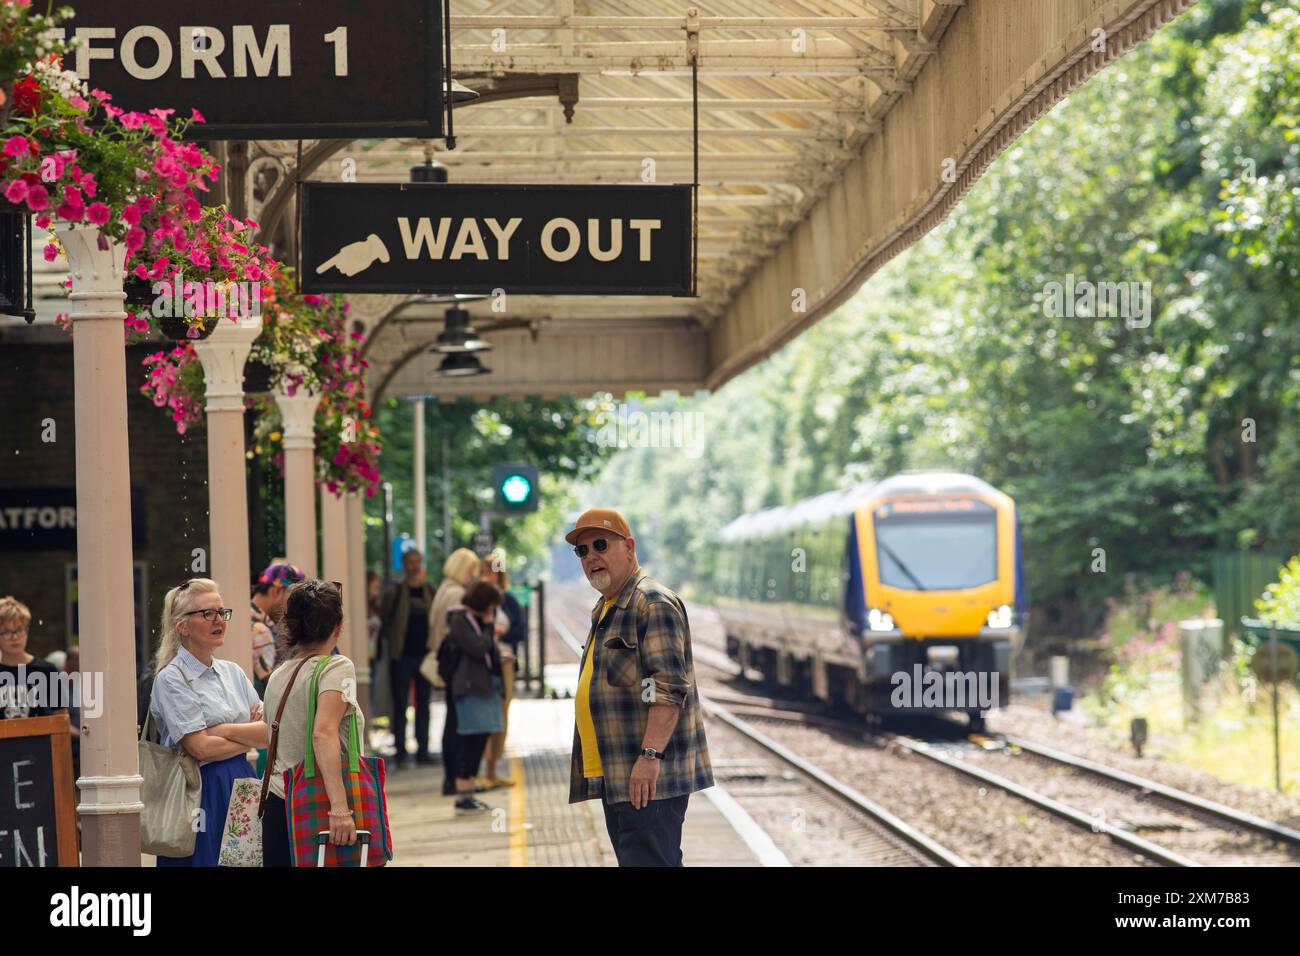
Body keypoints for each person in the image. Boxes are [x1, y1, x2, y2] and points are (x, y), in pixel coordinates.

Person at [565, 509, 714, 867]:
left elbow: (667, 688)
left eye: (600, 545)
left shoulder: (651, 602)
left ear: (629, 547)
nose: (591, 557)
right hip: (618, 772)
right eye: (582, 551)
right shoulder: (608, 606)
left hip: (648, 776)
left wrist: (650, 757)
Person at [149, 579, 268, 867]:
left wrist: (221, 730)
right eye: (207, 614)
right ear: (183, 626)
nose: (219, 620)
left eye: (221, 612)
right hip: (196, 791)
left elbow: (267, 734)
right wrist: (243, 734)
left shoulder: (234, 673)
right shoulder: (171, 678)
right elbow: (200, 748)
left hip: (242, 785)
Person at [260, 580, 363, 868]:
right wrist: (340, 808)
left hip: (280, 805)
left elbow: (271, 737)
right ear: (338, 625)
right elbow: (323, 733)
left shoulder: (279, 677)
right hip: (321, 806)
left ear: (290, 626)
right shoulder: (337, 668)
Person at [445, 581, 505, 814]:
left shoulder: (476, 620)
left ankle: (469, 790)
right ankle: (463, 794)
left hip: (483, 686)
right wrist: (490, 629)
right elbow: (478, 648)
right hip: (469, 687)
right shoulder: (460, 621)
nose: (492, 612)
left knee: (480, 738)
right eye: (491, 606)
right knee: (469, 741)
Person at [429, 548, 481, 796]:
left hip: (445, 662)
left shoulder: (443, 589)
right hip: (456, 664)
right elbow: (462, 633)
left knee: (451, 721)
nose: (473, 575)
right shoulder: (457, 594)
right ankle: (454, 778)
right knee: (458, 723)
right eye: (471, 570)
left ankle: (450, 777)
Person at [381, 548, 437, 768]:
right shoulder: (395, 593)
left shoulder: (429, 591)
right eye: (410, 562)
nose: (414, 566)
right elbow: (386, 621)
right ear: (404, 565)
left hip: (425, 657)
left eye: (418, 562)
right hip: (401, 656)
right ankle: (401, 752)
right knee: (400, 705)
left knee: (424, 704)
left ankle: (423, 751)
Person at [480, 558, 524, 789]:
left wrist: (500, 635)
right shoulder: (476, 600)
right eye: (486, 571)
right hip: (484, 665)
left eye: (494, 571)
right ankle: (484, 770)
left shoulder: (509, 601)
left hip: (506, 662)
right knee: (487, 715)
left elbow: (519, 631)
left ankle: (493, 768)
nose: (490, 575)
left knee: (503, 715)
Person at [0, 597, 65, 720]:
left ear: (27, 631)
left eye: (19, 630)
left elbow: (61, 719)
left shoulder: (47, 670)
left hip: (40, 739)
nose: (14, 637)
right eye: (6, 632)